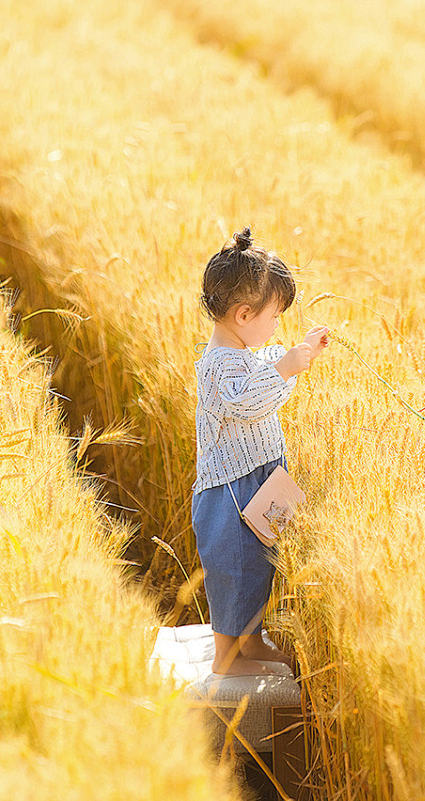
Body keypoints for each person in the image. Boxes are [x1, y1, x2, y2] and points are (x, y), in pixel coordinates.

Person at [191, 225, 329, 675]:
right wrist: (288, 366)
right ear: (244, 315)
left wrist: (298, 355)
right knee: (233, 568)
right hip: (230, 492)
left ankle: (250, 643)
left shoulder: (243, 351)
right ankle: (226, 656)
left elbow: (266, 371)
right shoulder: (216, 365)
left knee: (257, 569)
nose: (276, 328)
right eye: (274, 317)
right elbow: (245, 400)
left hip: (258, 480)